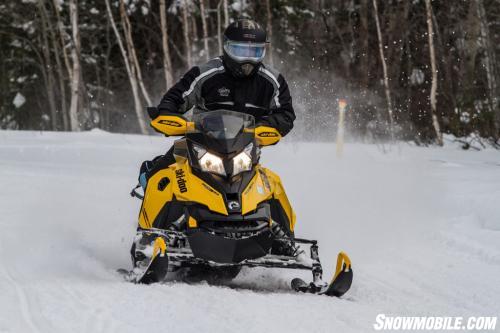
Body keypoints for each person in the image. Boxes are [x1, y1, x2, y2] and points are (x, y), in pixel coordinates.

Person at [139, 19, 296, 187]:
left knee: (272, 188)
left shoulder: (273, 81)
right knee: (159, 178)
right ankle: (153, 189)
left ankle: (278, 213)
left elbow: (285, 114)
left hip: (245, 150)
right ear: (227, 47)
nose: (247, 60)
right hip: (198, 143)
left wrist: (264, 126)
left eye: (255, 52)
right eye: (240, 50)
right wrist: (168, 114)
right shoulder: (206, 73)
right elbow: (174, 98)